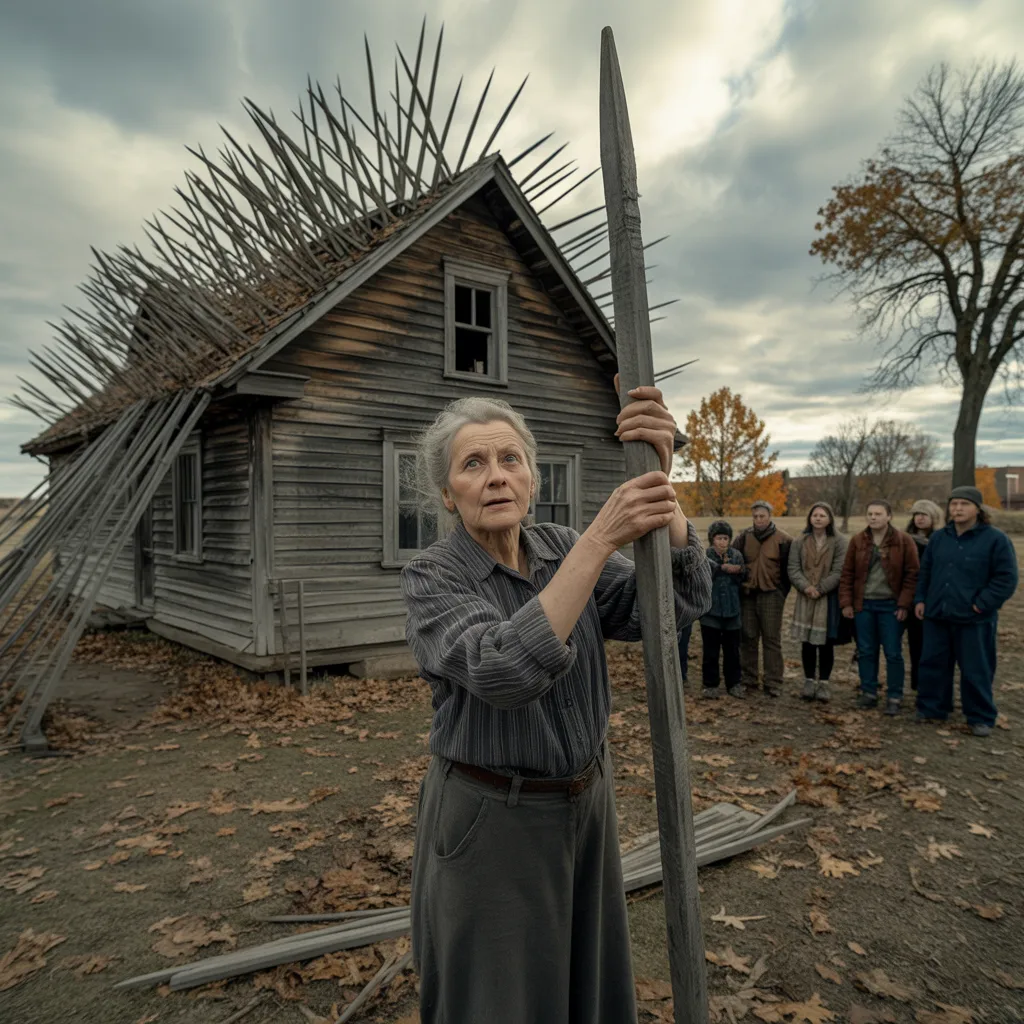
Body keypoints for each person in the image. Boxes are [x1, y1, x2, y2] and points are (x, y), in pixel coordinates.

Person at [399, 388, 712, 1023]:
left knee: (584, 987)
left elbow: (673, 607)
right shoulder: (434, 575)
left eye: (510, 459)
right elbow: (504, 668)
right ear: (447, 493)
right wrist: (599, 542)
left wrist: (661, 491)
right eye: (473, 464)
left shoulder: (561, 546)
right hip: (494, 819)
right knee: (498, 997)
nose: (495, 478)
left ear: (532, 477)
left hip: (586, 807)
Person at [915, 486, 1018, 737]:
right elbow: (925, 572)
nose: (958, 509)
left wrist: (982, 603)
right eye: (954, 504)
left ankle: (980, 716)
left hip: (974, 618)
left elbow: (1006, 578)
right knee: (933, 664)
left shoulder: (995, 540)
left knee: (976, 668)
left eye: (964, 504)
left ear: (978, 509)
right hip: (938, 614)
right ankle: (933, 708)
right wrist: (921, 599)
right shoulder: (940, 538)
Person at [839, 499, 919, 715]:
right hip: (863, 605)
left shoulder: (903, 541)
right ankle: (868, 692)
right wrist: (846, 603)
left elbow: (912, 575)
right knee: (866, 650)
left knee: (893, 652)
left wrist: (904, 604)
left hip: (891, 606)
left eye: (878, 514)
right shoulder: (858, 541)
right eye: (870, 513)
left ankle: (894, 695)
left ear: (889, 516)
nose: (873, 517)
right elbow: (847, 573)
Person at [788, 501, 850, 703]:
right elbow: (793, 568)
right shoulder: (800, 540)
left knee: (825, 643)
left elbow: (840, 570)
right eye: (815, 515)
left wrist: (821, 588)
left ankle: (823, 682)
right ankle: (808, 681)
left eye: (823, 515)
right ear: (810, 518)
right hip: (805, 597)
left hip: (827, 599)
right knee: (807, 642)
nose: (818, 518)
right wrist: (806, 587)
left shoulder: (839, 541)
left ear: (830, 518)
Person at [732, 500, 792, 695]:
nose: (758, 520)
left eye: (762, 516)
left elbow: (787, 571)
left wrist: (781, 592)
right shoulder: (744, 538)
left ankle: (773, 681)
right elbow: (734, 560)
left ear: (769, 516)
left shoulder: (783, 540)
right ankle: (749, 678)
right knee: (748, 636)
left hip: (771, 595)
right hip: (748, 595)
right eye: (755, 516)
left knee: (771, 638)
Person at [699, 520, 746, 698]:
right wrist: (721, 568)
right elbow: (703, 577)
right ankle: (710, 684)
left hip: (732, 612)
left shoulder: (737, 555)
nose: (722, 542)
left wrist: (738, 571)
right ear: (712, 539)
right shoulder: (705, 555)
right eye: (719, 538)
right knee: (711, 651)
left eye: (725, 538)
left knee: (732, 651)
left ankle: (734, 683)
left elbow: (742, 578)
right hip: (710, 612)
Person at [904, 499, 944, 691]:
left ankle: (930, 687)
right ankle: (917, 685)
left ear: (933, 517)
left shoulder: (940, 540)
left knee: (929, 645)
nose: (919, 518)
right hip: (907, 597)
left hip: (930, 598)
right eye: (916, 514)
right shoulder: (906, 539)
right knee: (915, 644)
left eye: (924, 514)